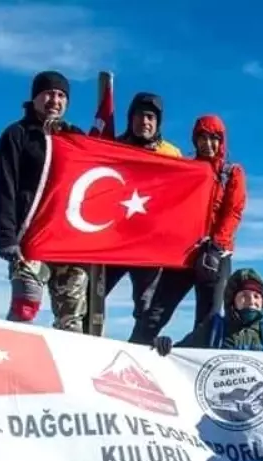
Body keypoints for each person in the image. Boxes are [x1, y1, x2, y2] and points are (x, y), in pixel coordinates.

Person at [0, 70, 91, 332]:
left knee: (71, 320)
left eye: (61, 96)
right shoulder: (17, 134)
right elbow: (4, 185)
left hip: (68, 242)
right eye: (49, 94)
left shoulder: (75, 138)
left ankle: (68, 369)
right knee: (25, 311)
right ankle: (15, 368)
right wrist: (6, 236)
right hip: (29, 240)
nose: (54, 101)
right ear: (35, 97)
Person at [135, 114, 247, 340]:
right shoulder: (185, 169)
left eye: (214, 138)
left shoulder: (231, 173)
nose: (208, 144)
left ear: (222, 141)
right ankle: (130, 354)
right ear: (195, 141)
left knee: (209, 319)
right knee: (157, 312)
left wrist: (216, 247)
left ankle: (198, 367)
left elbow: (233, 211)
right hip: (184, 252)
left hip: (216, 255)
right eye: (202, 138)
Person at [101, 92, 184, 344]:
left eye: (150, 117)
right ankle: (87, 343)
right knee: (92, 293)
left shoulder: (171, 154)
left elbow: (183, 196)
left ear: (157, 122)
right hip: (112, 240)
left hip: (149, 244)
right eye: (139, 116)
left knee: (146, 306)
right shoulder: (113, 147)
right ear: (131, 119)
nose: (144, 122)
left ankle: (138, 350)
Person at [152, 268, 263, 365]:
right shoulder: (213, 329)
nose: (251, 301)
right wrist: (163, 346)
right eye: (244, 296)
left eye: (256, 297)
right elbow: (180, 356)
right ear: (232, 301)